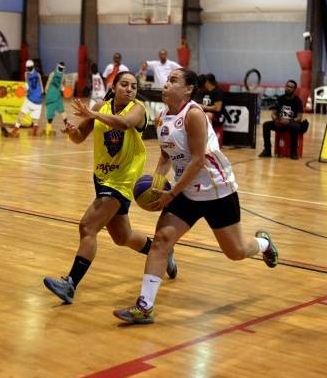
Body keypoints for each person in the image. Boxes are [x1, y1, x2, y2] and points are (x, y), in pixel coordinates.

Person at [113, 69, 278, 324]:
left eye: (173, 81)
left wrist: (171, 194)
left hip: (217, 190)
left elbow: (198, 160)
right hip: (186, 191)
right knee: (161, 241)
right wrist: (156, 185)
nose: (166, 84)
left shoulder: (193, 115)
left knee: (235, 252)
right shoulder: (161, 118)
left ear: (188, 89)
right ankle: (145, 307)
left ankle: (264, 244)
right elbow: (166, 157)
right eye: (167, 80)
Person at [43, 71, 177, 304]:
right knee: (122, 237)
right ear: (113, 87)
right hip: (102, 177)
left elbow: (124, 124)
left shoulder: (137, 109)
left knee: (87, 226)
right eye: (124, 84)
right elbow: (80, 137)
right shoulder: (100, 107)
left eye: (133, 86)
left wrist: (93, 113)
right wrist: (72, 131)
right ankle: (163, 253)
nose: (130, 89)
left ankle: (70, 284)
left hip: (122, 181)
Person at [258, 79, 304, 160]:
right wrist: (276, 120)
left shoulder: (298, 101)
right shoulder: (280, 99)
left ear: (294, 89)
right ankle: (267, 150)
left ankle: (293, 152)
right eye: (287, 86)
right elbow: (273, 113)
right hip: (280, 123)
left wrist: (289, 121)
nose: (288, 88)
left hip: (291, 123)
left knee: (296, 127)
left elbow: (299, 118)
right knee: (266, 125)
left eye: (291, 87)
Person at [10, 59, 43, 137]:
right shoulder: (38, 74)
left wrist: (25, 90)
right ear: (33, 66)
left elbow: (27, 87)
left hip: (30, 99)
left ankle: (15, 130)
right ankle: (34, 132)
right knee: (35, 120)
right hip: (39, 102)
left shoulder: (26, 74)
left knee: (21, 114)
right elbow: (42, 89)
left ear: (27, 68)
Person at [44, 62, 68, 135]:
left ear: (57, 66)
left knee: (50, 113)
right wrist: (63, 89)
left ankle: (48, 129)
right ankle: (68, 128)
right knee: (62, 112)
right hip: (57, 96)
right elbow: (61, 86)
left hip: (51, 96)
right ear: (63, 69)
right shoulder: (63, 76)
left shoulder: (52, 74)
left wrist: (46, 91)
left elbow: (48, 84)